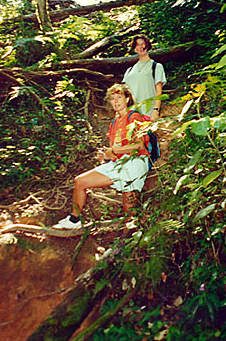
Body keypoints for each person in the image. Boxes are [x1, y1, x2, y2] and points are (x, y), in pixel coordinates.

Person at [53, 84, 150, 230]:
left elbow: (140, 146)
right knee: (80, 181)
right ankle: (74, 220)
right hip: (121, 162)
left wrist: (115, 151)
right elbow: (116, 149)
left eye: (119, 97)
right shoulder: (114, 122)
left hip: (135, 162)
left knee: (129, 209)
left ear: (127, 99)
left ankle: (129, 242)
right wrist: (106, 155)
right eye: (112, 98)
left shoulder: (134, 116)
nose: (116, 101)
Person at [123, 34, 167, 120]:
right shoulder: (129, 70)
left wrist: (156, 110)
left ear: (147, 46)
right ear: (134, 49)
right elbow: (124, 94)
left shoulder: (156, 67)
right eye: (137, 45)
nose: (141, 47)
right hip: (130, 114)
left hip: (148, 112)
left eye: (143, 43)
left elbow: (159, 92)